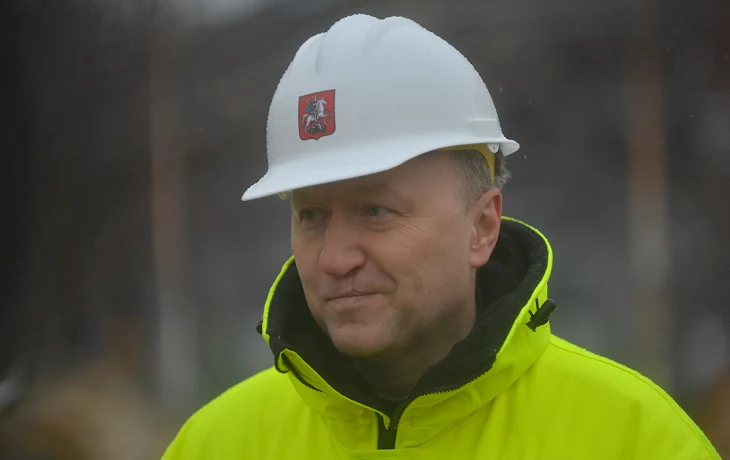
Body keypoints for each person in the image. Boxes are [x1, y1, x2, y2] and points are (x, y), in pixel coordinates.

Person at [162, 14, 719, 459]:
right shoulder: (214, 445)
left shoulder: (632, 439)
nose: (334, 259)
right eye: (311, 215)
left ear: (482, 228)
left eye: (376, 210)